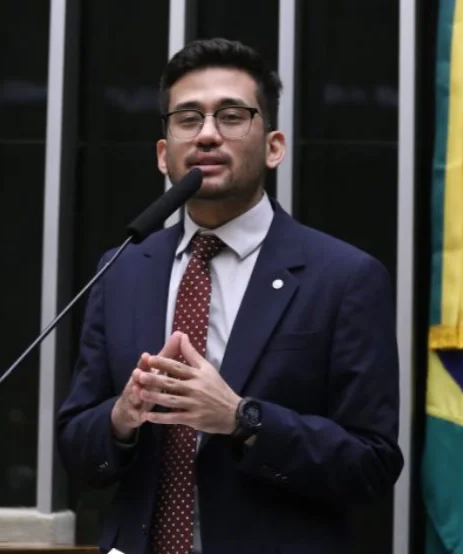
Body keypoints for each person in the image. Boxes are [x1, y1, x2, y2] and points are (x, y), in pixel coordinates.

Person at [56, 37, 403, 554]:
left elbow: (371, 465)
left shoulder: (345, 278)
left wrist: (243, 419)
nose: (207, 134)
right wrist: (122, 417)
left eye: (232, 116)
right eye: (188, 118)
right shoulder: (122, 269)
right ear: (163, 154)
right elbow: (77, 451)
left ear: (274, 147)